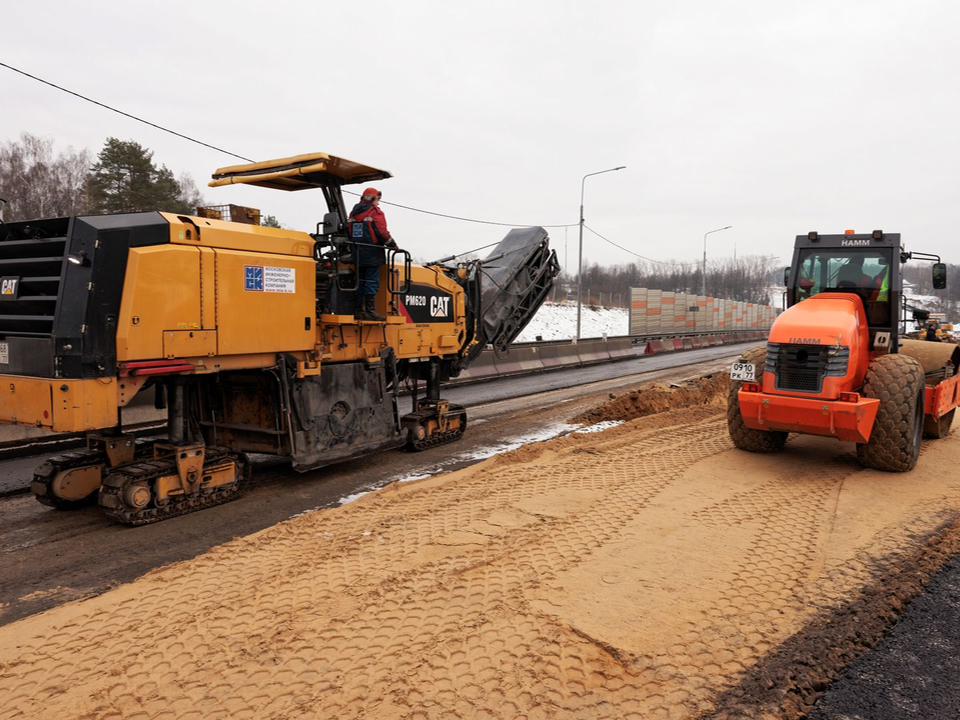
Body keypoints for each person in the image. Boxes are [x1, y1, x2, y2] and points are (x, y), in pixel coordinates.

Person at [347, 187, 397, 321]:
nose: (378, 203)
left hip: (357, 252)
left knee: (360, 281)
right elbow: (382, 232)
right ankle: (370, 311)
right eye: (377, 199)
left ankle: (358, 310)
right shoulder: (375, 212)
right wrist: (393, 245)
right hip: (372, 253)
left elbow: (349, 232)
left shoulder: (353, 213)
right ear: (372, 199)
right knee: (371, 281)